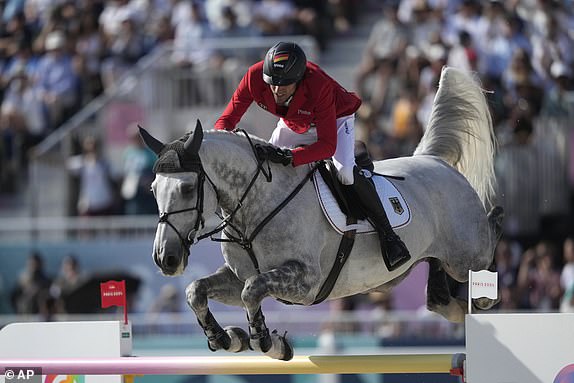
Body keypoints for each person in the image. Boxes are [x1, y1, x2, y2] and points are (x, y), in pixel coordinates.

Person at [214, 41, 410, 271]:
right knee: (265, 171)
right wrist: (219, 144)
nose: (276, 90)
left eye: (285, 84)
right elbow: (226, 121)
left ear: (299, 78)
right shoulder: (255, 77)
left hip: (335, 121)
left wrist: (291, 157)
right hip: (293, 124)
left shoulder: (318, 84)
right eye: (273, 84)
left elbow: (326, 146)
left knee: (345, 173)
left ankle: (390, 237)